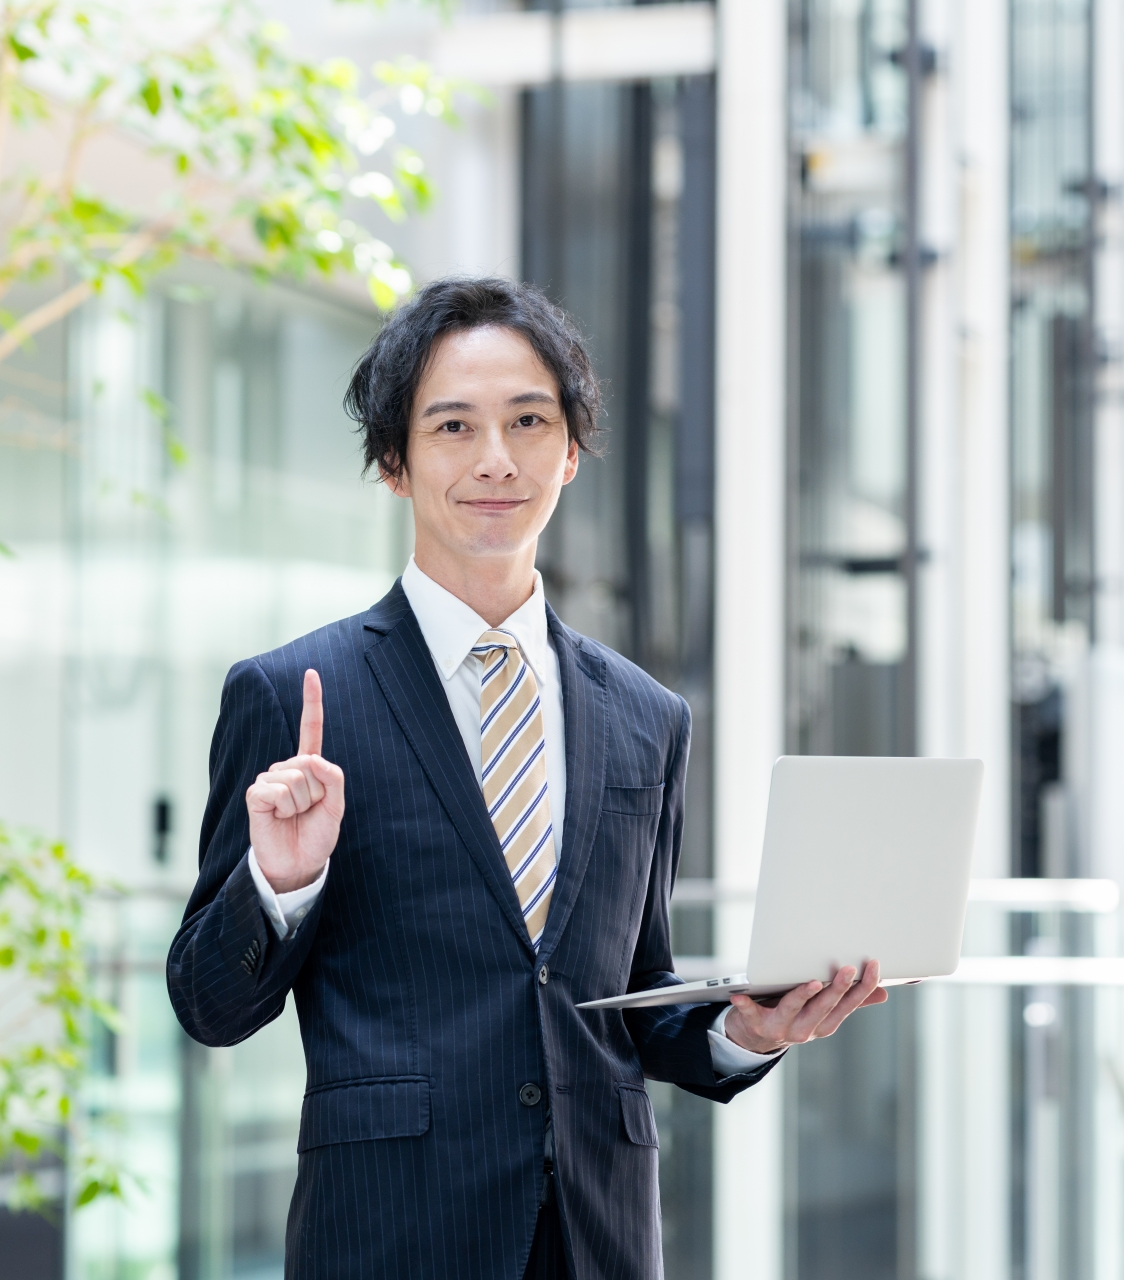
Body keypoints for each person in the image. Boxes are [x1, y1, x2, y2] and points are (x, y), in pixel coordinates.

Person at [166, 277, 887, 1280]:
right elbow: (208, 1006)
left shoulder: (647, 716)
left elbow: (629, 989)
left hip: (598, 1235)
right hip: (389, 1238)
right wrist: (281, 883)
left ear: (572, 452)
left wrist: (742, 1029)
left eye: (529, 421)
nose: (496, 458)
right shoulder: (292, 695)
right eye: (453, 426)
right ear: (394, 462)